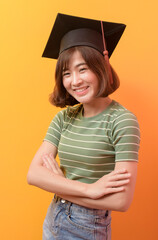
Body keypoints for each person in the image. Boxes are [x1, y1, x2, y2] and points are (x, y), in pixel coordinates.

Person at [27, 13, 140, 240]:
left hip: (87, 226)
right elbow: (33, 174)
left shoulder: (122, 121)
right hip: (54, 218)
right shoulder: (64, 118)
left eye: (83, 69)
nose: (75, 81)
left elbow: (121, 201)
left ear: (101, 67)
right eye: (66, 73)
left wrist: (58, 184)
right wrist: (89, 189)